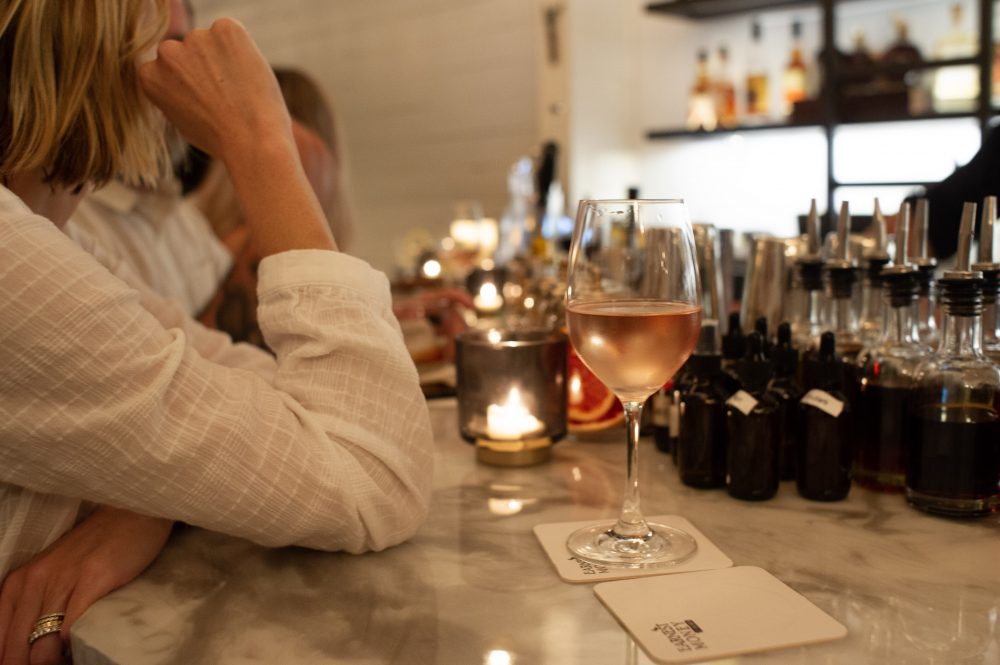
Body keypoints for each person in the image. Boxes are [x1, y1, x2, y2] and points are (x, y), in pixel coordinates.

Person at [0, 3, 432, 664]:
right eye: (168, 37)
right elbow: (374, 474)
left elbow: (253, 394)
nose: (188, 51)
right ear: (97, 37)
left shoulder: (57, 237)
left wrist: (148, 503)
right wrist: (260, 142)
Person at [64, 0, 232, 317]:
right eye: (149, 46)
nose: (174, 71)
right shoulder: (67, 218)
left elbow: (227, 347)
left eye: (179, 45)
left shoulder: (182, 217)